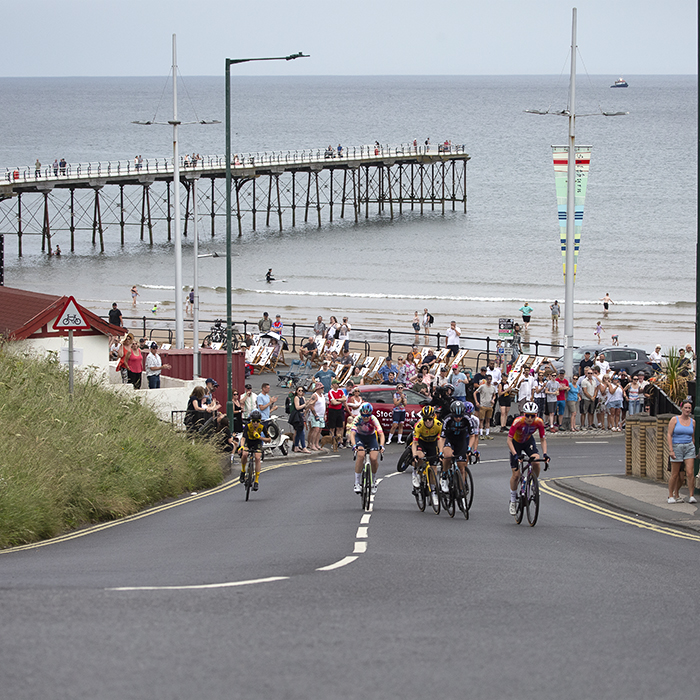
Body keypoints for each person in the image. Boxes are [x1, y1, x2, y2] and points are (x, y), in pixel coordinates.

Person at [507, 401, 549, 516]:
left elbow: (543, 439)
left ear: (536, 415)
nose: (530, 418)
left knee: (536, 460)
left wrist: (545, 454)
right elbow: (509, 440)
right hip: (515, 444)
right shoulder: (517, 422)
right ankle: (513, 501)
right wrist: (515, 454)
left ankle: (534, 483)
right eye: (527, 415)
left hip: (528, 442)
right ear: (524, 414)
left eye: (533, 416)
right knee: (516, 475)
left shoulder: (539, 422)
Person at [348, 402, 385, 494]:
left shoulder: (373, 419)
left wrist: (382, 446)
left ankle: (374, 481)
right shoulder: (357, 419)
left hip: (371, 437)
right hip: (359, 437)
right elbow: (352, 434)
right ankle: (357, 483)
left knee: (373, 458)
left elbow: (381, 434)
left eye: (367, 416)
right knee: (361, 455)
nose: (365, 418)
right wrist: (354, 445)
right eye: (364, 416)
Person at [411, 405, 443, 506]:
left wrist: (440, 452)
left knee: (434, 468)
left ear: (433, 417)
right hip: (422, 443)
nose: (428, 421)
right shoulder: (419, 426)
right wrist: (414, 455)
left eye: (430, 419)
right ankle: (415, 473)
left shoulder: (438, 425)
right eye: (425, 419)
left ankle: (433, 491)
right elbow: (414, 443)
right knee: (419, 457)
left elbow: (440, 440)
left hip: (433, 443)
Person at [667, 400, 697, 504]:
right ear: (681, 408)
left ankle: (691, 495)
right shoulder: (674, 420)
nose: (687, 410)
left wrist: (692, 446)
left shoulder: (692, 422)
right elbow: (669, 435)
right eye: (686, 408)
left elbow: (692, 437)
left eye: (689, 408)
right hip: (677, 446)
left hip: (689, 447)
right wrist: (671, 450)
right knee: (675, 474)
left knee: (689, 472)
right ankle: (671, 495)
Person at [439, 400, 473, 490]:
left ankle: (461, 491)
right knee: (447, 456)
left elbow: (472, 435)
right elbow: (442, 438)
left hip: (460, 441)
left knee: (462, 468)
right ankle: (444, 475)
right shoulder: (447, 419)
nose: (458, 418)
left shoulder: (467, 418)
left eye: (460, 416)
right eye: (456, 416)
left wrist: (469, 448)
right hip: (449, 439)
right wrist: (440, 451)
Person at [238, 410, 271, 491]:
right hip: (248, 442)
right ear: (251, 421)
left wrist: (260, 437)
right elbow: (243, 438)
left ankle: (256, 481)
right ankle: (242, 471)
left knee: (257, 457)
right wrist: (242, 447)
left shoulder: (262, 427)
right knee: (245, 454)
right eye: (254, 421)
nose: (255, 423)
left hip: (257, 442)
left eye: (257, 421)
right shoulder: (248, 426)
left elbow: (269, 439)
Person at [475, 374, 498, 438]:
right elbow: (475, 393)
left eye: (490, 379)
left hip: (489, 405)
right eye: (488, 379)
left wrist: (493, 399)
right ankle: (481, 433)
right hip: (483, 405)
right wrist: (477, 402)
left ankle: (487, 434)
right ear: (486, 379)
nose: (489, 380)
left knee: (488, 419)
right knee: (481, 419)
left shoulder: (493, 387)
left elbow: (494, 395)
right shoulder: (482, 386)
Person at [327, 379, 347, 450]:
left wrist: (338, 400)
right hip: (332, 410)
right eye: (337, 384)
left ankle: (339, 441)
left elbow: (344, 399)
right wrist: (339, 400)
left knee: (340, 427)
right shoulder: (331, 392)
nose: (338, 385)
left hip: (339, 410)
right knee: (332, 428)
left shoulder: (340, 391)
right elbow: (333, 402)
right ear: (333, 384)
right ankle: (333, 442)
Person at [290, 386, 311, 453]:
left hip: (302, 415)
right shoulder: (296, 398)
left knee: (299, 431)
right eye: (299, 390)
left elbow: (305, 407)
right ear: (296, 391)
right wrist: (305, 404)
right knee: (301, 432)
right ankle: (304, 447)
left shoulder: (303, 398)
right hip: (297, 416)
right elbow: (297, 407)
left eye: (302, 391)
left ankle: (296, 446)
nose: (301, 392)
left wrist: (308, 404)